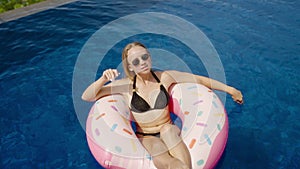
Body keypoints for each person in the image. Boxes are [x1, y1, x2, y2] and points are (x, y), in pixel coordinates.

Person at [82, 42, 243, 169]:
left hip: (168, 128)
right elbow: (87, 96)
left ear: (150, 57)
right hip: (146, 136)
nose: (142, 63)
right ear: (130, 66)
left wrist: (230, 90)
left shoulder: (165, 77)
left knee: (168, 131)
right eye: (136, 61)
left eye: (145, 57)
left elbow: (198, 79)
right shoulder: (125, 86)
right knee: (167, 161)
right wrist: (103, 78)